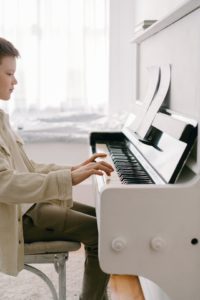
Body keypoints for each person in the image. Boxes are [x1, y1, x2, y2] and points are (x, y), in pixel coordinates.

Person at [0, 37, 114, 300]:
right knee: (103, 233)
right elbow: (6, 184)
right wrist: (68, 179)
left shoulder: (2, 118)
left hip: (30, 206)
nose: (15, 82)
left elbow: (27, 168)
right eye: (9, 74)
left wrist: (73, 169)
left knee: (107, 220)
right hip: (17, 218)